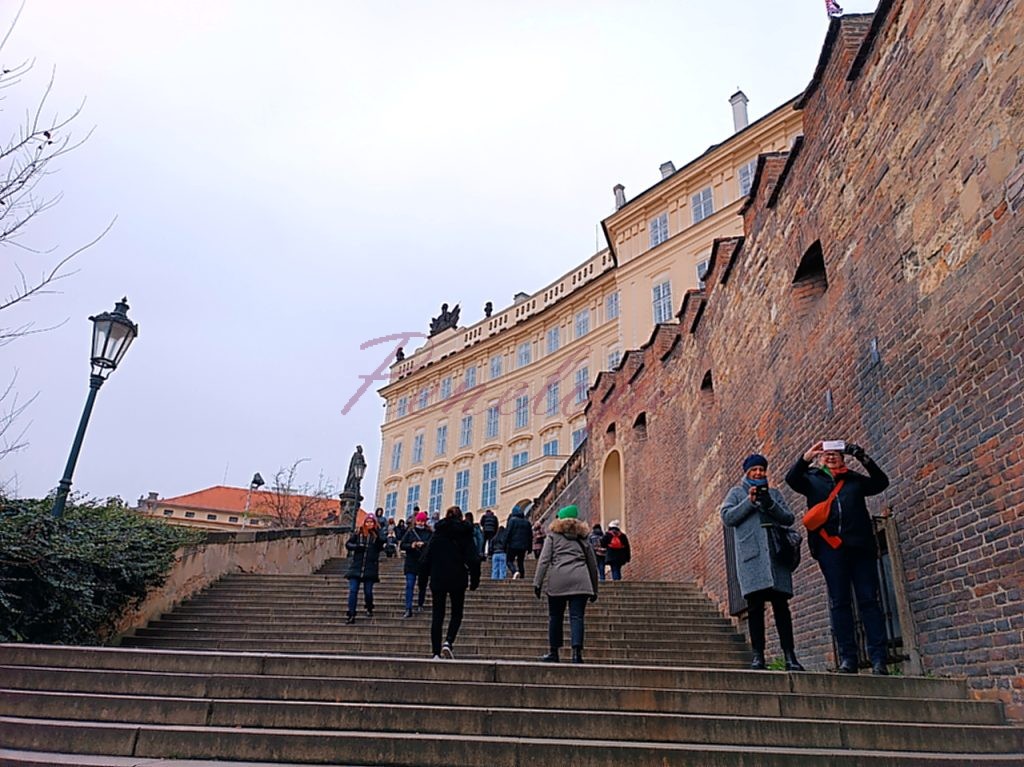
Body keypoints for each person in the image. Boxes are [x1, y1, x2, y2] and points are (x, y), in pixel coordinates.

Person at [785, 440, 891, 674]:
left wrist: (863, 457)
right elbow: (791, 479)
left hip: (861, 547)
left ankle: (878, 658)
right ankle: (848, 658)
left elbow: (881, 483)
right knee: (839, 601)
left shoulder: (854, 479)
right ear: (821, 458)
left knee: (869, 600)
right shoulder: (811, 479)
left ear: (843, 458)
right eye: (826, 454)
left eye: (836, 454)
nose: (831, 457)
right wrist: (806, 457)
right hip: (830, 549)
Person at [720, 453, 805, 672]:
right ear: (746, 472)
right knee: (756, 609)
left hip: (776, 558)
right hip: (752, 559)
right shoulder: (737, 493)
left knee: (781, 608)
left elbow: (788, 518)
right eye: (754, 470)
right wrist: (750, 502)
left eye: (762, 469)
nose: (759, 473)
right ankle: (758, 657)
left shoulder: (774, 494)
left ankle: (790, 656)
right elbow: (728, 517)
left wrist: (769, 505)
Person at [533, 505, 600, 664]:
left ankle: (554, 652)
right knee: (577, 617)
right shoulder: (583, 538)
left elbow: (544, 561)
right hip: (581, 581)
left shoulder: (552, 537)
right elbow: (592, 564)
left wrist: (537, 583)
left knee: (555, 617)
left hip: (559, 580)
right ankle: (577, 654)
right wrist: (594, 589)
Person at [419, 505, 481, 659]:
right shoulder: (465, 534)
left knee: (437, 615)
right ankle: (448, 642)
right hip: (458, 577)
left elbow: (426, 558)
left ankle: (435, 652)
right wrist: (474, 580)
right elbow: (473, 559)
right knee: (457, 613)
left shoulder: (438, 533)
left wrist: (422, 581)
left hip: (438, 577)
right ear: (460, 517)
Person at [344, 515, 386, 624]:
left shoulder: (376, 536)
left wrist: (378, 530)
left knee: (368, 592)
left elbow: (383, 541)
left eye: (371, 522)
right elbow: (348, 544)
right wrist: (356, 547)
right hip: (356, 567)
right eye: (367, 522)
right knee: (353, 591)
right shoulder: (358, 534)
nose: (369, 524)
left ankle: (369, 606)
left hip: (370, 568)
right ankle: (351, 613)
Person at [399, 511, 433, 618]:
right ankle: (408, 608)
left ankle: (420, 603)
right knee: (410, 585)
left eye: (423, 521)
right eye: (419, 521)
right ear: (416, 521)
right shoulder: (410, 532)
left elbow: (432, 545)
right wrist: (412, 545)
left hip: (423, 562)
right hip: (411, 562)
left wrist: (424, 544)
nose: (421, 523)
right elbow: (402, 545)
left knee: (422, 585)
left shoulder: (429, 533)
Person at [505, 505, 532, 580]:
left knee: (509, 561)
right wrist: (530, 548)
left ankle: (514, 572)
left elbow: (508, 533)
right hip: (523, 546)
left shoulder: (512, 520)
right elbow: (530, 536)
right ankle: (522, 576)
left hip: (513, 545)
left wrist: (505, 544)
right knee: (520, 562)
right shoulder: (527, 522)